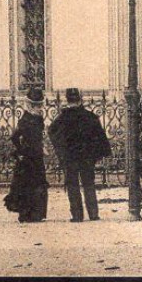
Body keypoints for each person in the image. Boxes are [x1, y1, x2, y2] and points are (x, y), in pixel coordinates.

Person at [48, 88, 111, 222]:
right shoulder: (89, 116)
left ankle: (77, 215)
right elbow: (100, 137)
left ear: (67, 100)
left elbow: (52, 133)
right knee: (89, 183)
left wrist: (62, 151)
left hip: (70, 158)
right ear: (80, 99)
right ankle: (93, 214)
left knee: (72, 185)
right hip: (86, 158)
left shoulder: (62, 119)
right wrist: (95, 154)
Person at [3, 87, 49, 223]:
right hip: (28, 156)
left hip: (37, 155)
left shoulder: (38, 119)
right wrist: (21, 150)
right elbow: (14, 137)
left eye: (39, 104)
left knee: (38, 183)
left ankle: (37, 213)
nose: (37, 107)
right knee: (27, 184)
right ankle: (25, 213)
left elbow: (39, 137)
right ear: (29, 105)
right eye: (34, 105)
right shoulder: (25, 119)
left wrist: (42, 146)